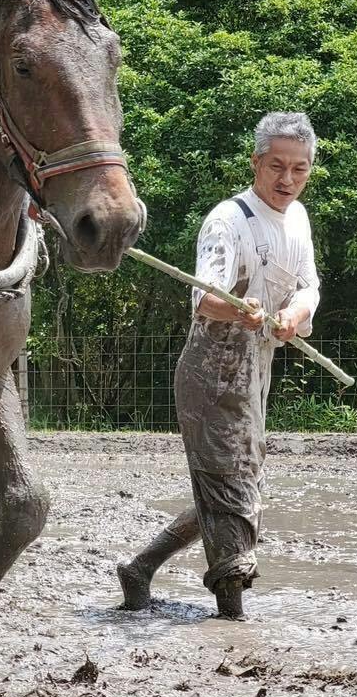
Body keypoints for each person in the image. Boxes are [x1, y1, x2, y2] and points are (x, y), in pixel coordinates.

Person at [116, 112, 322, 619]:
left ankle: (141, 567)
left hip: (257, 371)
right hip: (212, 372)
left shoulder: (297, 219)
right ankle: (232, 615)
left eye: (299, 170)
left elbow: (310, 286)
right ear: (256, 163)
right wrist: (241, 310)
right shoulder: (228, 220)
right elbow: (203, 297)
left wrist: (294, 313)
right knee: (233, 491)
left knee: (230, 487)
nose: (287, 180)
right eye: (277, 167)